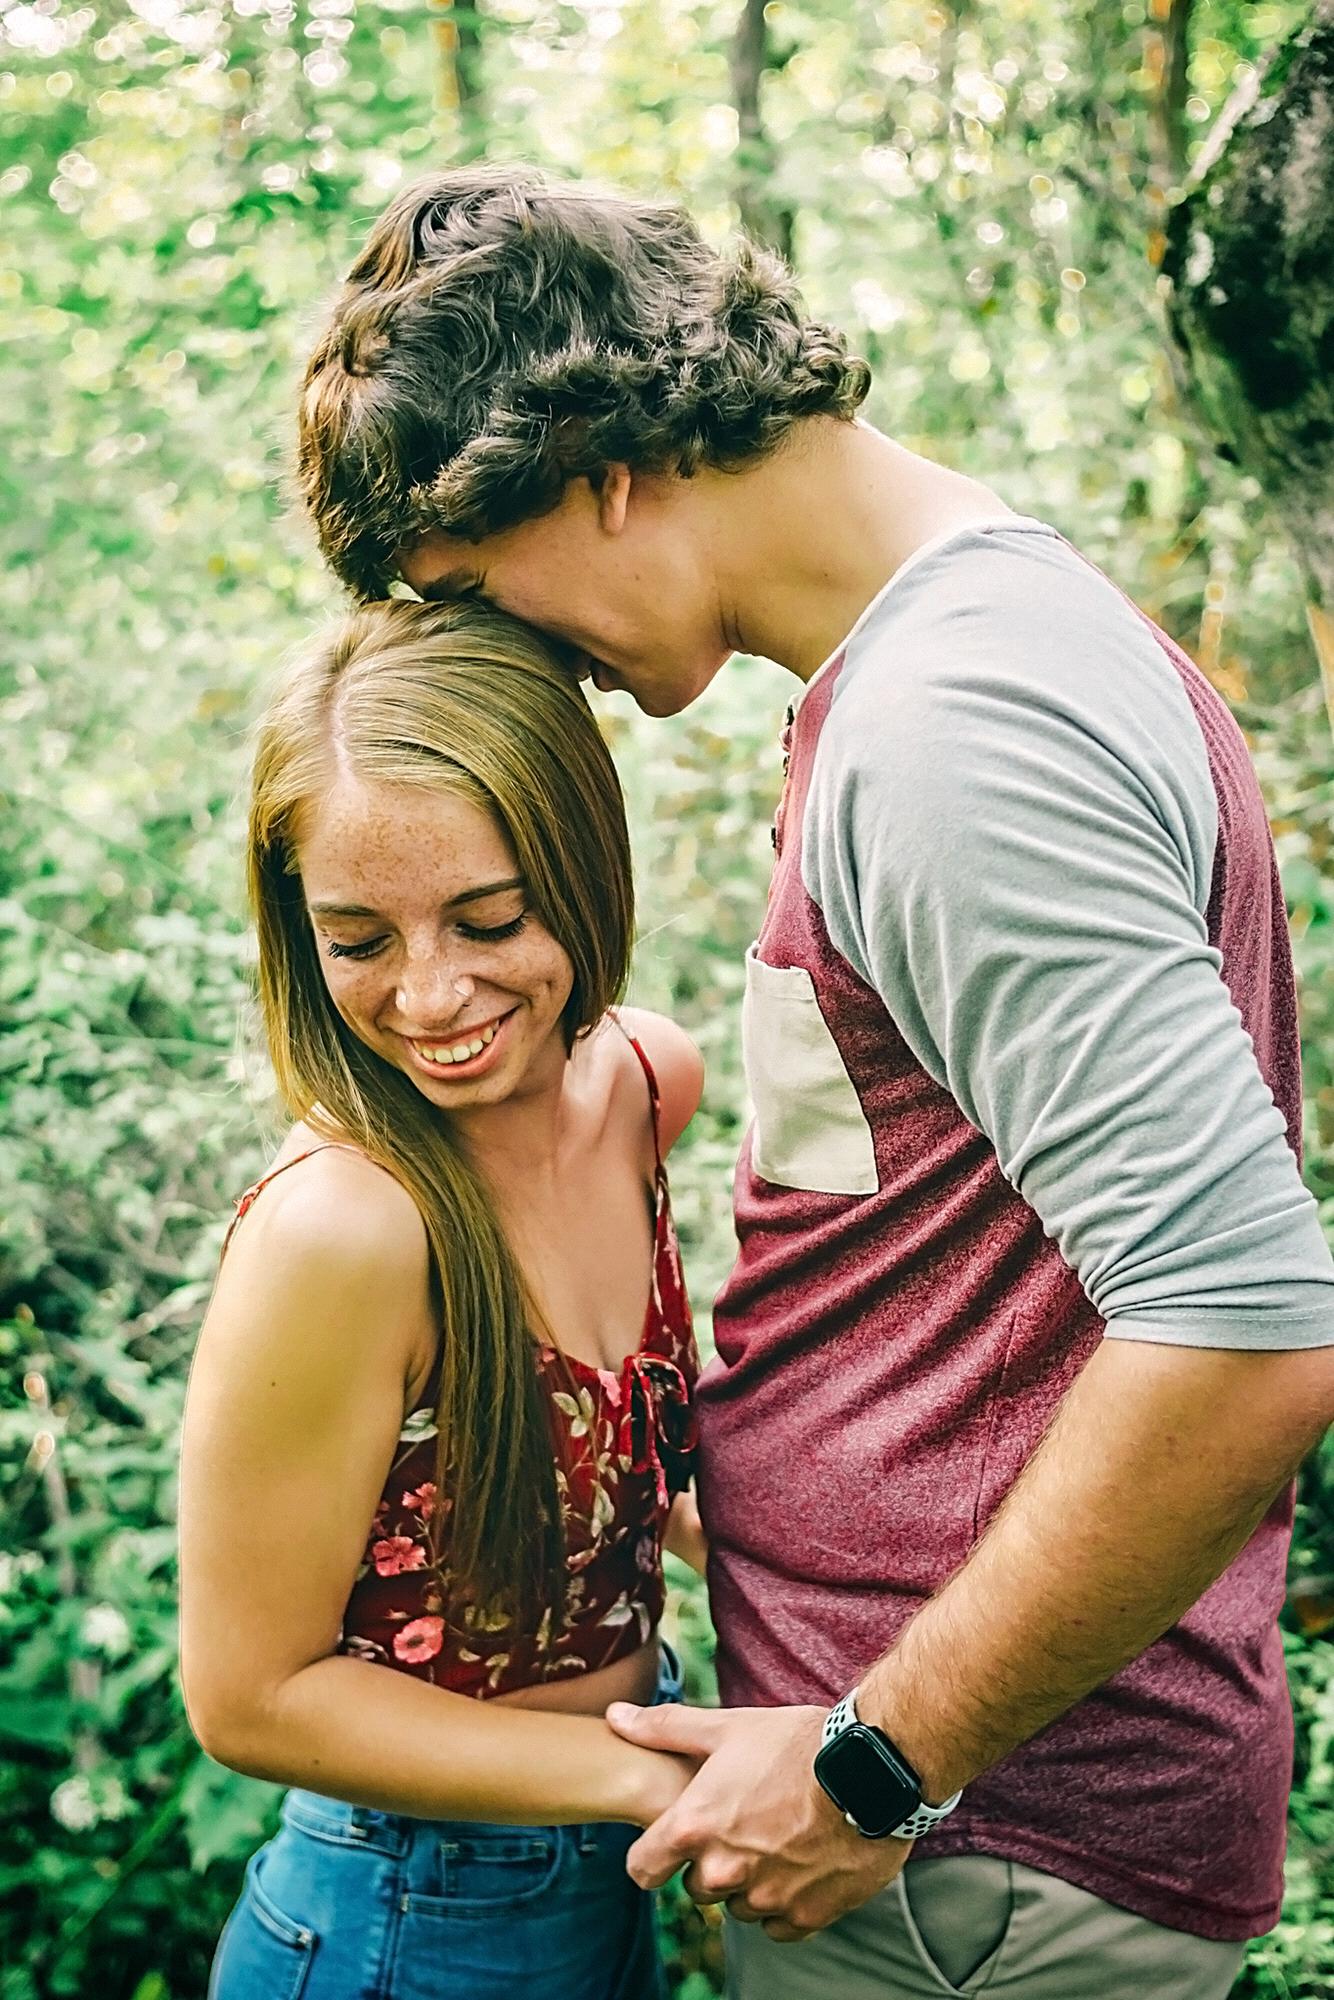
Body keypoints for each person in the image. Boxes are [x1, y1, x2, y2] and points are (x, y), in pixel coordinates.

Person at [294, 169, 1334, 2000]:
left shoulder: (950, 732)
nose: (519, 663)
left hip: (970, 1863)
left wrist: (872, 1763)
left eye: (472, 588)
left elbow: (1242, 1330)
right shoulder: (959, 652)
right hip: (955, 1840)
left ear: (598, 472)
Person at [178, 597, 707, 2000]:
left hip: (606, 1879)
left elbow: (615, 1469)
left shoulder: (646, 1086)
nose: (429, 997)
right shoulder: (347, 1231)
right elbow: (250, 1698)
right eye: (359, 941)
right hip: (406, 1916)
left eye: (489, 919)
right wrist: (661, 1778)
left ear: (582, 865)